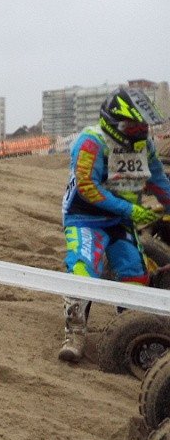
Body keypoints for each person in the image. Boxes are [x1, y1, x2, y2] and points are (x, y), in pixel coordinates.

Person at [58, 87, 170, 362]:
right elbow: (86, 186)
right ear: (114, 121)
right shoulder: (91, 142)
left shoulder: (145, 146)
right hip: (84, 218)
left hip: (121, 219)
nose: (140, 130)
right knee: (85, 269)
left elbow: (158, 181)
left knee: (135, 272)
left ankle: (132, 333)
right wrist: (130, 209)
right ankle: (74, 334)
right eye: (133, 124)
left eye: (143, 124)